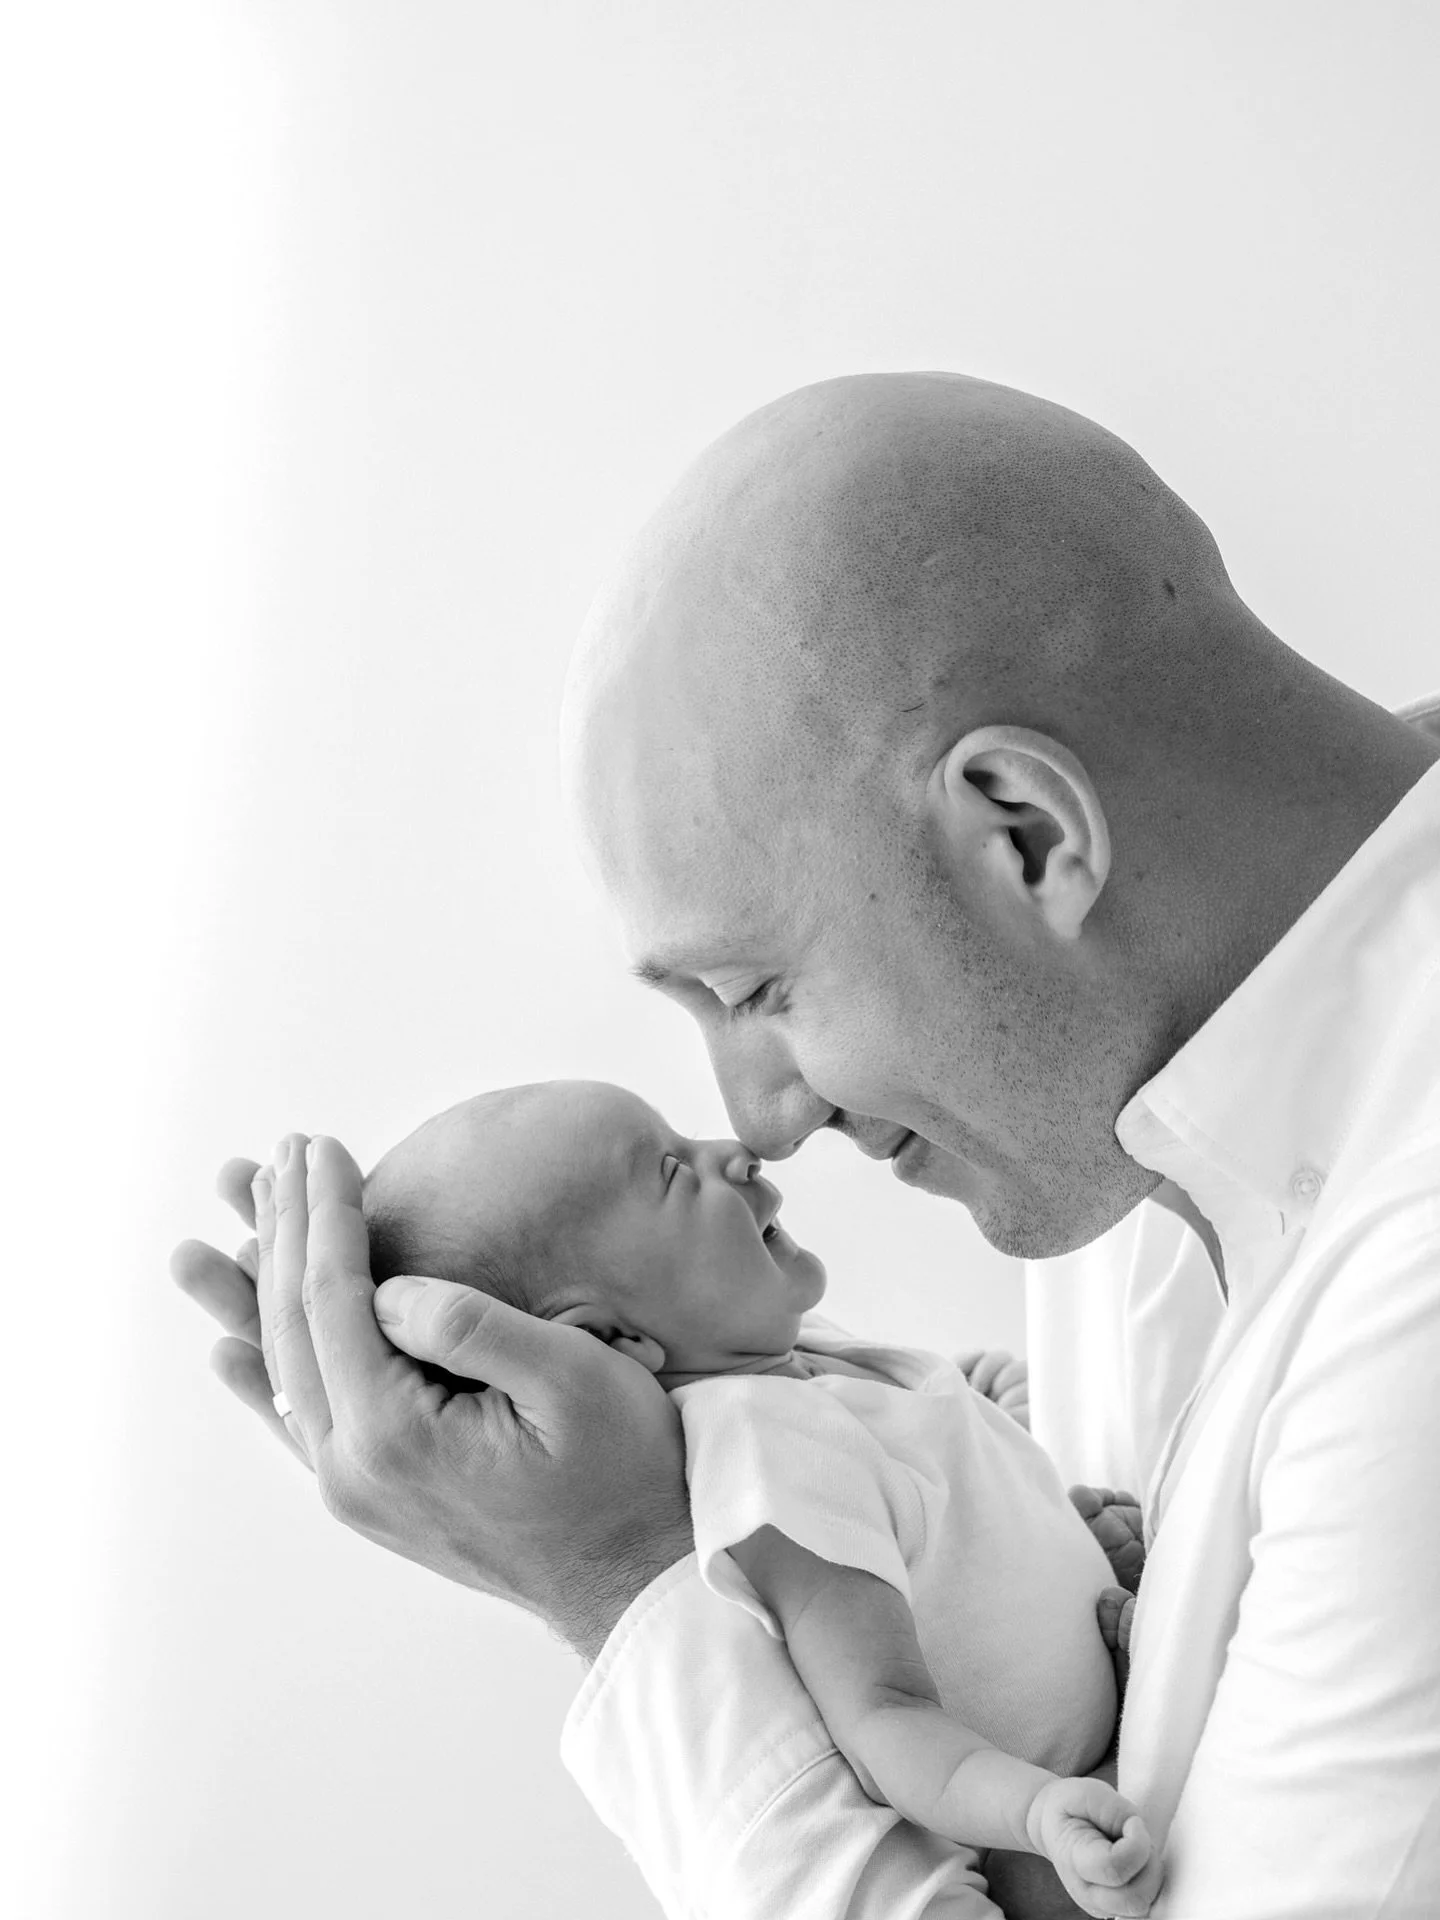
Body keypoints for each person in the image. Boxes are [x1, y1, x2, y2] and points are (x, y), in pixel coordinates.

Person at [173, 373, 1440, 1917]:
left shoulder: (1412, 1276)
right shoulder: (1149, 1098)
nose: (764, 1118)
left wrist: (630, 1591)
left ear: (1026, 834)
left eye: (756, 990)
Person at [358, 1078, 1156, 1916]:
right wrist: (1039, 1809)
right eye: (671, 1170)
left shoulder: (798, 1362)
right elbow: (885, 1717)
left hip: (1108, 1746)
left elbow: (924, 1440)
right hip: (1047, 1846)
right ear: (606, 1340)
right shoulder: (766, 1452)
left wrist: (1012, 1459)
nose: (735, 1150)